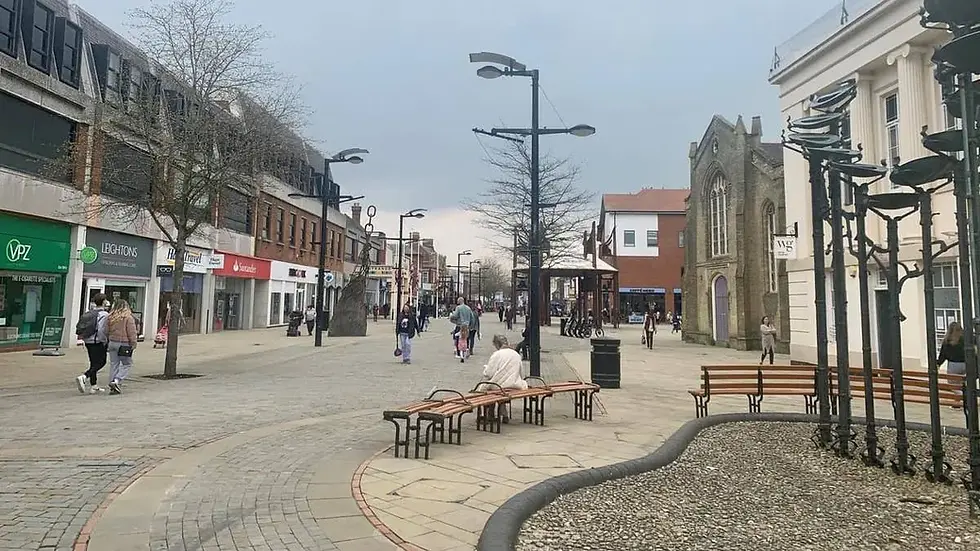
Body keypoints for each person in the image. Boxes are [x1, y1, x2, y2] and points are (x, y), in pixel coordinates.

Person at [481, 334, 528, 423]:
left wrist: (486, 369)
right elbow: (521, 372)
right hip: (515, 384)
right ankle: (504, 414)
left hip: (500, 386)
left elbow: (488, 373)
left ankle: (488, 414)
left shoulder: (497, 354)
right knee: (500, 390)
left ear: (497, 344)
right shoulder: (516, 354)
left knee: (487, 388)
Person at [76, 293, 110, 394]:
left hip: (88, 341)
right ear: (103, 302)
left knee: (93, 362)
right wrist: (104, 340)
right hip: (97, 341)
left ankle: (94, 385)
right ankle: (85, 376)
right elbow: (101, 329)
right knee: (101, 362)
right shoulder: (104, 314)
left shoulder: (89, 313)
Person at [106, 299, 138, 395]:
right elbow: (132, 332)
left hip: (112, 343)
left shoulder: (110, 317)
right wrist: (133, 343)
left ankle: (112, 384)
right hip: (124, 344)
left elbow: (106, 330)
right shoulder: (128, 317)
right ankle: (116, 380)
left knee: (114, 364)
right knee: (127, 363)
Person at [939, 322, 966, 397]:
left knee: (953, 385)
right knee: (963, 384)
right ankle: (962, 401)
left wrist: (938, 364)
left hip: (953, 365)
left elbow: (943, 355)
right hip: (966, 364)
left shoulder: (947, 341)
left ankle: (961, 399)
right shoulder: (965, 339)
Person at [449, 297, 475, 362]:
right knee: (466, 338)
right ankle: (466, 350)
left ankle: (459, 353)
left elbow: (455, 315)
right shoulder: (468, 308)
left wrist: (451, 316)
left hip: (460, 325)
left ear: (459, 301)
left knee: (458, 338)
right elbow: (472, 317)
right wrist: (471, 325)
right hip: (467, 325)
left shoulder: (458, 308)